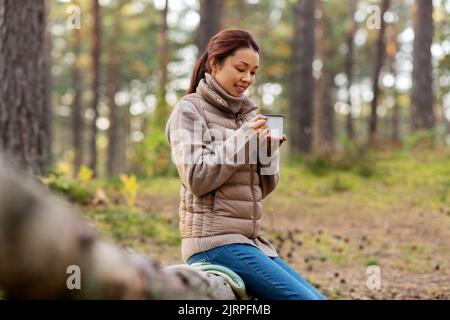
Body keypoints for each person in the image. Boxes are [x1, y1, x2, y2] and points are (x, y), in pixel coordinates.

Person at [165, 29, 326, 300]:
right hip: (212, 244)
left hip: (250, 243)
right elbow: (197, 178)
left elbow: (260, 190)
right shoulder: (189, 110)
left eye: (253, 72)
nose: (247, 79)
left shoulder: (248, 116)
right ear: (215, 64)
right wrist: (245, 138)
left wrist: (268, 153)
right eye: (241, 68)